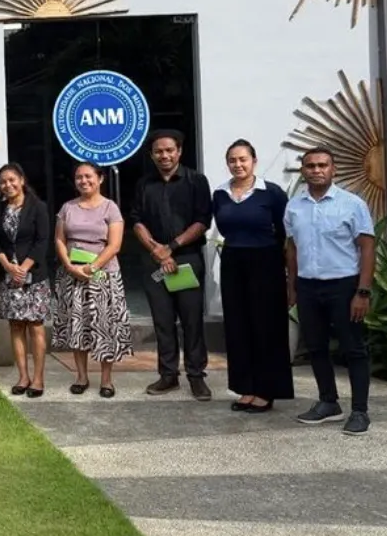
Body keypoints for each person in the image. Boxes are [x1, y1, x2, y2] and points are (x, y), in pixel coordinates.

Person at [284, 146, 376, 435]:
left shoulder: (352, 204)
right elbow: (292, 248)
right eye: (310, 166)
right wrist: (292, 286)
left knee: (353, 349)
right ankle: (328, 402)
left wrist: (363, 292)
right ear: (303, 171)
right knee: (316, 347)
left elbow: (367, 247)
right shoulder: (294, 206)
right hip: (308, 287)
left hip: (344, 286)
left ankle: (359, 411)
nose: (317, 170)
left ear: (333, 169)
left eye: (322, 165)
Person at [128, 130, 214, 400]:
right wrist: (157, 249)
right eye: (158, 151)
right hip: (154, 260)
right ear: (152, 155)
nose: (164, 155)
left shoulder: (196, 181)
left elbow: (202, 221)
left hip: (186, 259)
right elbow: (136, 220)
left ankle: (196, 376)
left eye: (169, 150)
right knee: (163, 321)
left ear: (179, 151)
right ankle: (168, 375)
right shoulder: (144, 183)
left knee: (191, 321)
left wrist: (172, 247)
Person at [213, 139, 294, 413]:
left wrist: (289, 276)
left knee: (266, 327)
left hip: (266, 263)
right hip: (233, 262)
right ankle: (245, 387)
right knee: (238, 327)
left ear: (254, 161)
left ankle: (266, 390)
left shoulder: (271, 193)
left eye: (243, 159)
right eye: (232, 160)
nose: (238, 164)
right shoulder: (220, 194)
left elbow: (285, 234)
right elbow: (224, 228)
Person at [52, 162, 134, 398]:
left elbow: (115, 245)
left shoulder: (110, 207)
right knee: (77, 325)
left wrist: (92, 266)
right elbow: (59, 239)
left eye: (88, 176)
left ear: (100, 179)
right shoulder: (67, 207)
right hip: (72, 275)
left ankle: (106, 380)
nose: (83, 181)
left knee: (104, 326)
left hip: (103, 276)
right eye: (79, 177)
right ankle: (81, 376)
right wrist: (69, 266)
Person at [0, 162, 53, 398]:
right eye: (3, 182)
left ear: (22, 180)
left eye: (12, 180)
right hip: (9, 276)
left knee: (35, 326)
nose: (8, 185)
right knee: (15, 325)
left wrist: (23, 268)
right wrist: (7, 265)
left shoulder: (38, 207)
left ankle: (38, 379)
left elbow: (42, 241)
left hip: (34, 277)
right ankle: (23, 376)